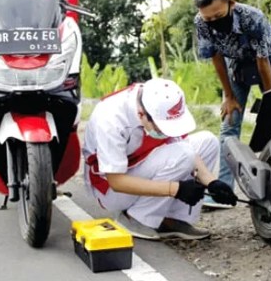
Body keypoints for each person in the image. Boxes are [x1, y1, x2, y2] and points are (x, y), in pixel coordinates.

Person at [82, 78, 237, 240]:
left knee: (208, 141)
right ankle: (136, 218)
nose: (166, 132)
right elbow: (116, 181)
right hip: (109, 189)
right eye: (162, 128)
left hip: (139, 165)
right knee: (182, 155)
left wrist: (212, 183)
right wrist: (176, 189)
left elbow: (184, 145)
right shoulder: (110, 119)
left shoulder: (158, 101)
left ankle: (173, 219)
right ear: (141, 115)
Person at [193, 0, 271, 209]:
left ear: (231, 3)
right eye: (208, 18)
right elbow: (216, 57)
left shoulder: (252, 18)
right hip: (236, 65)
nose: (213, 21)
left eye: (218, 16)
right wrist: (229, 96)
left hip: (269, 63)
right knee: (229, 123)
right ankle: (222, 191)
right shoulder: (201, 22)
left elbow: (263, 60)